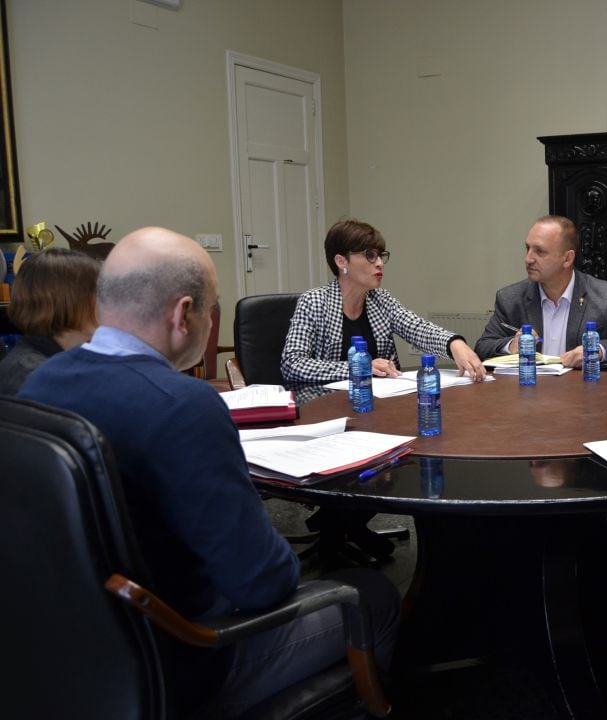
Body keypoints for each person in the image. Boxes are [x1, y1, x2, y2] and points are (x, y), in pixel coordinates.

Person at [19, 227, 399, 716]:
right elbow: (262, 582)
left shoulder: (41, 380)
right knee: (373, 594)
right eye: (212, 307)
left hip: (69, 652)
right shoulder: (184, 405)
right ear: (184, 313)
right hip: (185, 654)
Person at [281, 218, 485, 384]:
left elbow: (418, 329)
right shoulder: (314, 302)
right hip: (327, 406)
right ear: (341, 261)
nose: (379, 263)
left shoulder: (380, 300)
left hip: (380, 403)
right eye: (370, 256)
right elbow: (293, 364)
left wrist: (454, 343)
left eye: (380, 255)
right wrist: (358, 368)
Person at [475, 215, 607, 366]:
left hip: (583, 394)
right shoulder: (511, 298)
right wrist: (512, 345)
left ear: (567, 258)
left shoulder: (606, 296)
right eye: (528, 248)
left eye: (539, 251)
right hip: (528, 393)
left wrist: (595, 351)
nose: (528, 259)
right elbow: (483, 347)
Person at [0, 248, 100, 395]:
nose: (107, 305)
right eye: (99, 295)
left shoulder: (50, 362)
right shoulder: (41, 379)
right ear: (73, 302)